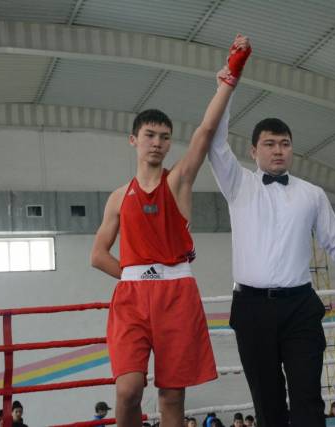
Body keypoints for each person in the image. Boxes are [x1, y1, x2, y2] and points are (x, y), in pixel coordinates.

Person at [90, 35, 252, 427]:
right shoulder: (118, 197)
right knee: (127, 390)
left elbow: (205, 131)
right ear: (134, 140)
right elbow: (97, 255)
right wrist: (136, 275)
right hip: (132, 297)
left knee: (172, 397)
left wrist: (230, 77)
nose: (158, 143)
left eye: (164, 137)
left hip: (176, 294)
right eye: (150, 135)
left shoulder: (177, 181)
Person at [207, 67, 335, 427]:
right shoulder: (238, 183)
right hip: (252, 308)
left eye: (285, 143)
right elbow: (215, 142)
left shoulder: (311, 194)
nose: (278, 150)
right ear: (253, 150)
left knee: (308, 400)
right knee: (267, 404)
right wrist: (227, 88)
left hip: (300, 307)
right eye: (269, 144)